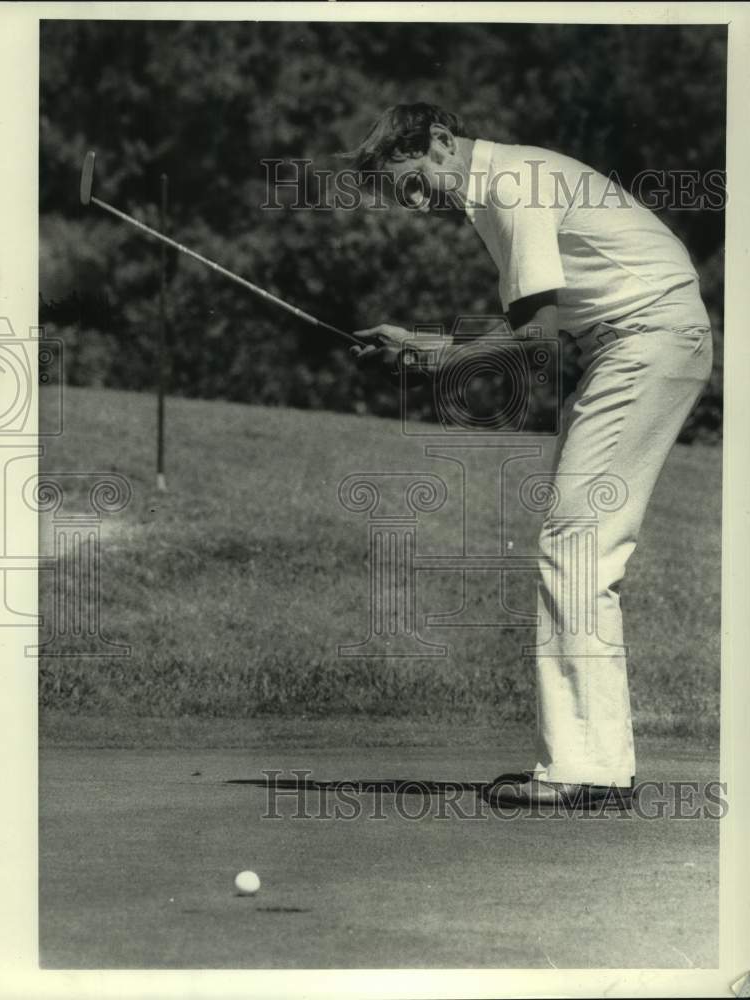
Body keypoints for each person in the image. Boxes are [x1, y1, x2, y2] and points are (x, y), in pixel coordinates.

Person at [343, 103, 713, 810]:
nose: (416, 204)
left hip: (647, 340)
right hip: (631, 344)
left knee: (576, 542)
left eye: (413, 182)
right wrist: (430, 345)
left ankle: (585, 770)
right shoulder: (499, 184)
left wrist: (439, 355)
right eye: (400, 195)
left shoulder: (511, 186)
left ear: (441, 142)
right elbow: (537, 327)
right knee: (576, 542)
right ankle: (594, 766)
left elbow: (536, 338)